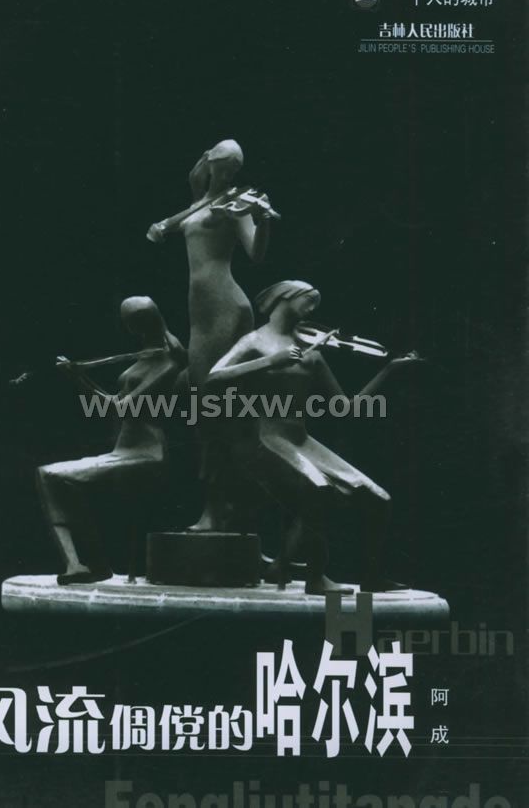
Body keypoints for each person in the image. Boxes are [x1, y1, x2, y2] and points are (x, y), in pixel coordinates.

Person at [206, 280, 421, 593]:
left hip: (300, 439)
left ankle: (371, 576)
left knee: (378, 499)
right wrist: (269, 362)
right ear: (283, 298)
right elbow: (213, 378)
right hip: (265, 437)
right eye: (308, 301)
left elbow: (345, 409)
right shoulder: (254, 342)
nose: (312, 309)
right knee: (319, 490)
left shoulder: (313, 355)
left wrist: (389, 370)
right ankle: (315, 577)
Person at [148, 140, 275, 531]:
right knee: (205, 405)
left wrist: (264, 218)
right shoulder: (199, 202)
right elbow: (193, 180)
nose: (227, 168)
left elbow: (255, 253)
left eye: (233, 164)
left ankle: (217, 508)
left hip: (225, 307)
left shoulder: (237, 204)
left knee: (212, 407)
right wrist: (202, 165)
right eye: (222, 160)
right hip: (199, 314)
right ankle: (226, 505)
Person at [36, 296, 186, 585]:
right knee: (53, 478)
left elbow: (121, 408)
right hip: (125, 448)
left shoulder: (168, 362)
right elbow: (113, 403)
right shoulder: (147, 358)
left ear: (134, 325)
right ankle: (82, 564)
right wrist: (78, 378)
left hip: (146, 451)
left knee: (51, 476)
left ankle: (85, 563)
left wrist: (78, 379)